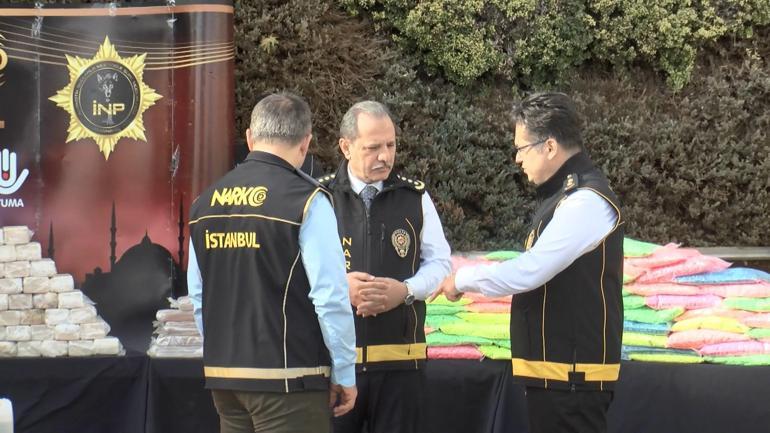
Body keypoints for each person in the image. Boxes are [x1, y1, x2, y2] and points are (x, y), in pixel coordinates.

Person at [431, 92, 624, 433]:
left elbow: (531, 270)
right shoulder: (564, 197)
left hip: (572, 378)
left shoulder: (586, 201)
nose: (518, 159)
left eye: (521, 148)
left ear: (549, 147)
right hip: (558, 375)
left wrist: (462, 279)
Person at [187, 93, 357, 433]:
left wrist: (223, 354)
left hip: (225, 377)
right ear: (305, 143)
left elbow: (198, 296)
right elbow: (330, 296)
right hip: (290, 379)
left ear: (250, 137)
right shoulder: (307, 200)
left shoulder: (205, 202)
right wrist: (344, 371)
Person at [318, 100, 452, 433]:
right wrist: (340, 288)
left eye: (390, 145)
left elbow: (439, 262)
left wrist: (406, 291)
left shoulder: (414, 196)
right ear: (346, 147)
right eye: (373, 147)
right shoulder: (319, 197)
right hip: (335, 364)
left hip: (401, 363)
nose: (385, 156)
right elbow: (294, 269)